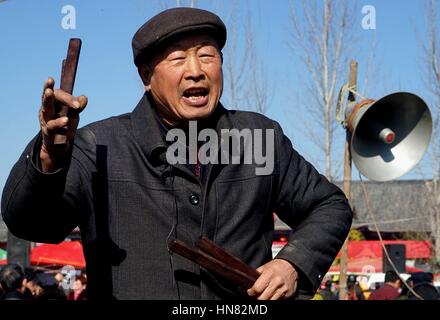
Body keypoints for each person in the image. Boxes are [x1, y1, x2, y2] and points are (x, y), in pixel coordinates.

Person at [1, 7, 352, 300]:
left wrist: (292, 263)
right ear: (146, 76)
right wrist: (48, 157)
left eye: (207, 55)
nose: (195, 70)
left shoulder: (258, 137)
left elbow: (330, 206)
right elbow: (32, 224)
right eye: (178, 58)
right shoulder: (100, 146)